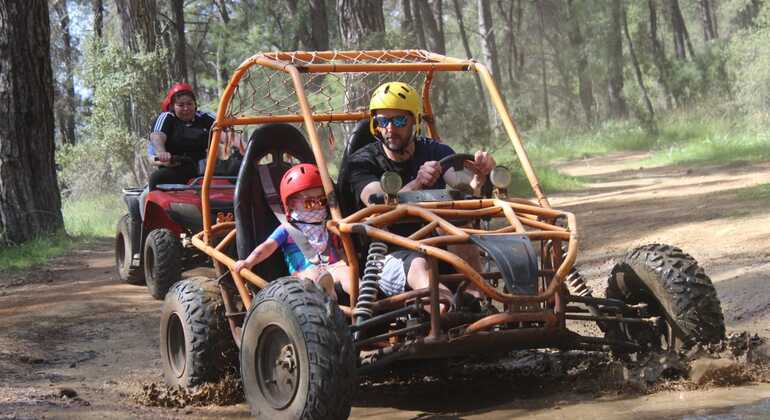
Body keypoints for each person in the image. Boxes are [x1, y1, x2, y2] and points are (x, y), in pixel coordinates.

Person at [345, 81, 496, 305]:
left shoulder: (435, 151)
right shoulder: (361, 163)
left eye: (398, 120)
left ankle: (478, 303)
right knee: (419, 264)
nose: (390, 129)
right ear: (374, 124)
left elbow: (466, 190)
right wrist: (417, 182)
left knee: (462, 233)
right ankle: (447, 310)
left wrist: (481, 176)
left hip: (436, 244)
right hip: (386, 254)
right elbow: (378, 202)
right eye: (383, 121)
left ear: (415, 121)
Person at [233, 164, 351, 300]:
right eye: (310, 203)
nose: (318, 206)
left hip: (331, 267)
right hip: (302, 276)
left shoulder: (328, 223)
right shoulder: (288, 229)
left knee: (347, 272)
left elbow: (340, 249)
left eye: (322, 200)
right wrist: (248, 262)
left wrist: (344, 261)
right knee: (312, 275)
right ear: (292, 204)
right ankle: (329, 300)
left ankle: (365, 303)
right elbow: (266, 248)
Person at [147, 83, 215, 190]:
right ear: (172, 106)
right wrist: (162, 152)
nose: (186, 108)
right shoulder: (167, 117)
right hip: (177, 168)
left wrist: (241, 146)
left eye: (189, 104)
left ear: (195, 105)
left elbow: (224, 129)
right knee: (157, 177)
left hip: (205, 170)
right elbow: (157, 136)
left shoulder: (204, 117)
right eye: (181, 105)